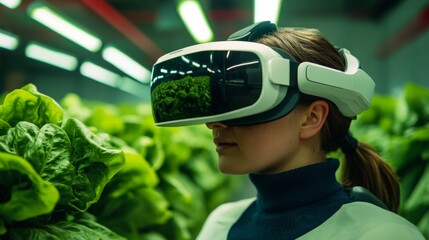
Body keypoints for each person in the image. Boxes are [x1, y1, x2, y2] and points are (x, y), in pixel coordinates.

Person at [150, 22, 425, 239]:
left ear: (312, 118)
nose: (215, 124)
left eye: (244, 99)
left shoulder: (383, 235)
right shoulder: (220, 222)